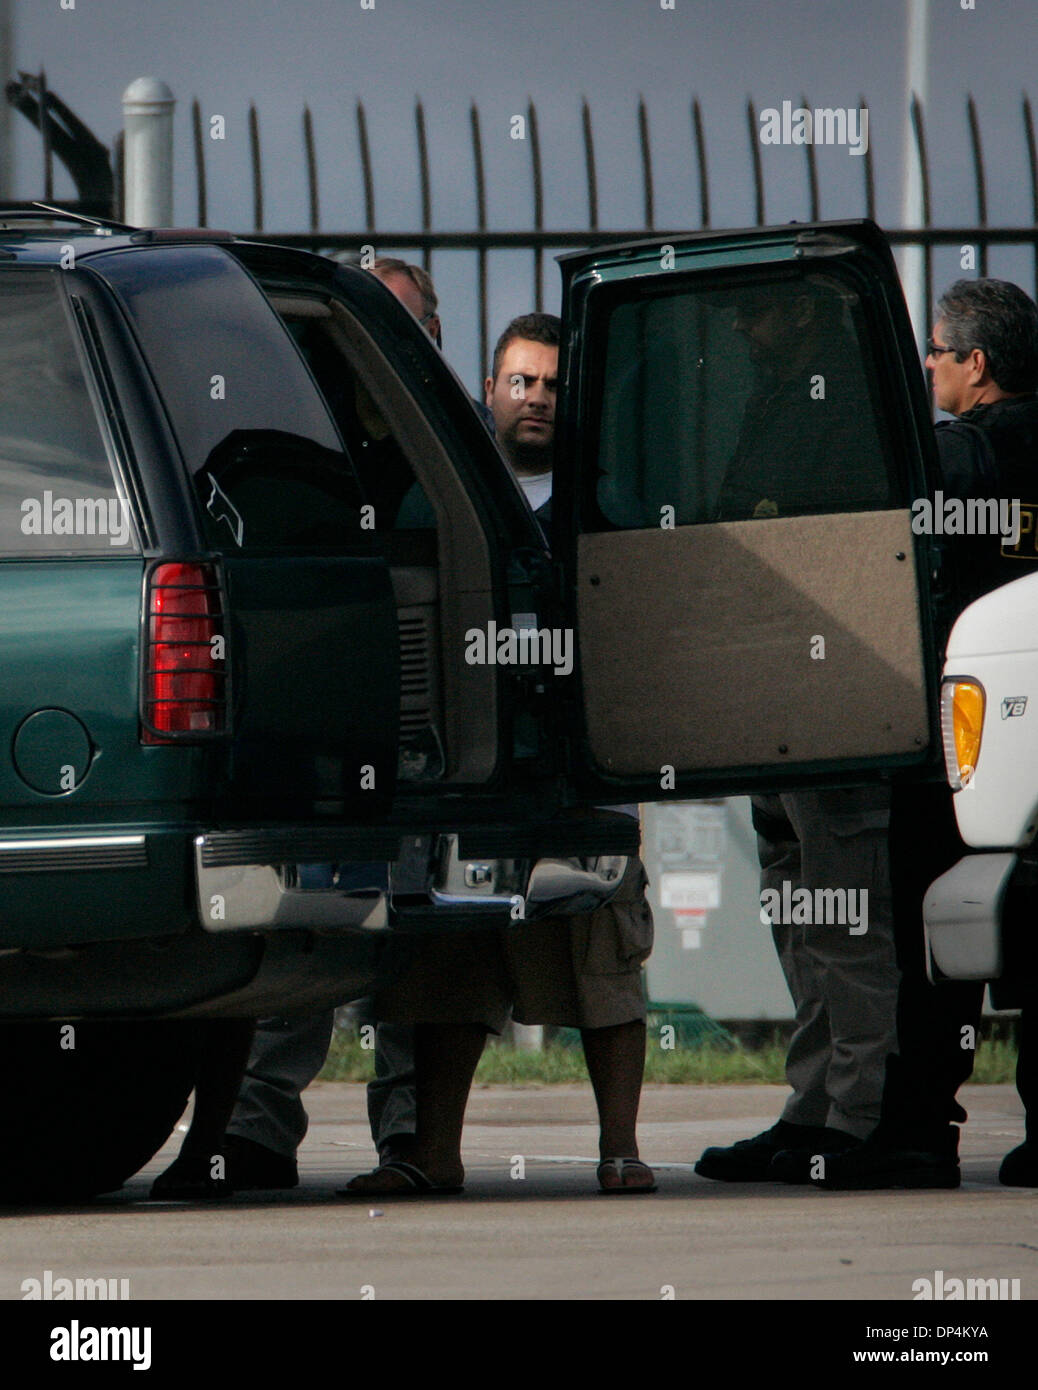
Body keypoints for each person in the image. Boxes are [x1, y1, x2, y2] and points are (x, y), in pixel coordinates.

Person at [341, 313, 657, 1197]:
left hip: (577, 772)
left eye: (553, 385)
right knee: (446, 963)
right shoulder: (431, 496)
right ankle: (431, 1152)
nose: (537, 399)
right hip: (462, 779)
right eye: (521, 382)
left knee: (606, 961)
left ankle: (620, 1150)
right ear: (488, 390)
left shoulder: (610, 507)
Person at [220, 259, 450, 1192]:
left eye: (405, 327)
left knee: (410, 945)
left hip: (419, 736)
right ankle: (257, 1129)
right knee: (305, 932)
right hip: (318, 727)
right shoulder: (292, 440)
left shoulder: (441, 445)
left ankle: (409, 1138)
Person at [815, 278, 1038, 1189]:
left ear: (975, 364)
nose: (930, 369)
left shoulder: (963, 454)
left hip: (967, 736)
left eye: (937, 355)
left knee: (934, 943)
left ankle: (918, 1130)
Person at [695, 280, 902, 1183]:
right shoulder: (777, 398)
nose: (742, 325)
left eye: (758, 310)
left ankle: (859, 1120)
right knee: (797, 903)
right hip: (775, 687)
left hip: (834, 691)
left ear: (809, 312)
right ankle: (813, 1104)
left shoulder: (844, 406)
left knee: (845, 914)